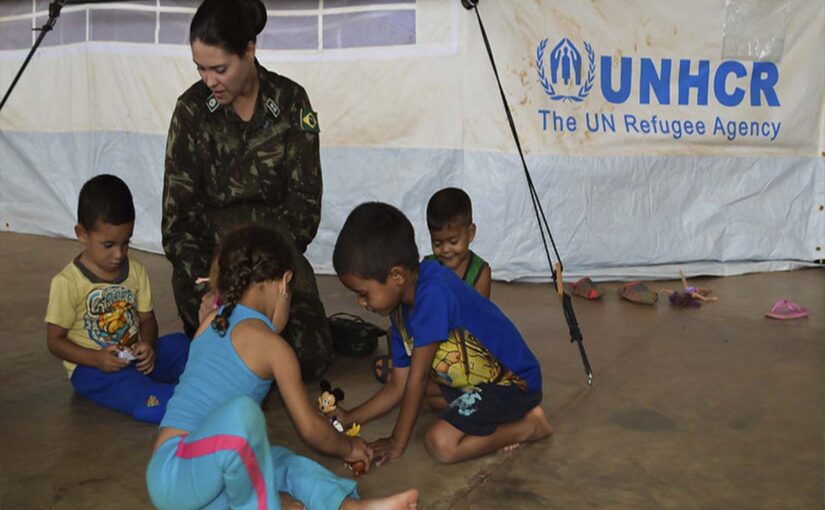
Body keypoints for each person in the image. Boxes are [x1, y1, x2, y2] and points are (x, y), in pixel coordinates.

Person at [146, 225, 418, 510]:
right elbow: (311, 428)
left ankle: (351, 508)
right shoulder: (273, 348)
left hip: (204, 480)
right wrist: (348, 447)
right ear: (285, 283)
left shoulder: (213, 320)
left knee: (284, 462)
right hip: (176, 475)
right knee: (244, 415)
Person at [161, 0, 333, 379]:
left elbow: (305, 208)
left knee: (310, 354)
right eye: (201, 69)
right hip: (212, 269)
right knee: (234, 337)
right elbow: (178, 224)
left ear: (249, 50)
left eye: (219, 68)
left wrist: (265, 275)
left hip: (276, 263)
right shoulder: (191, 112)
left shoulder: (290, 102)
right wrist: (217, 284)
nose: (209, 80)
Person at [330, 203, 553, 465]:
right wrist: (349, 418)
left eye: (363, 293)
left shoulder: (433, 294)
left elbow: (418, 375)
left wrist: (396, 442)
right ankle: (494, 415)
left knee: (440, 444)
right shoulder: (400, 305)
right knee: (420, 396)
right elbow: (399, 385)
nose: (361, 304)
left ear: (397, 275)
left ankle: (530, 425)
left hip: (514, 385)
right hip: (476, 384)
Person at [45, 175, 190, 424]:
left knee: (183, 345)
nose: (119, 254)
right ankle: (184, 406)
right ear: (82, 234)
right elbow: (55, 342)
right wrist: (96, 359)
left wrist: (148, 344)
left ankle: (215, 383)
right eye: (109, 244)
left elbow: (148, 320)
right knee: (136, 389)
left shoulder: (136, 270)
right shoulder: (67, 283)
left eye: (126, 242)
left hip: (137, 358)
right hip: (92, 370)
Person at [425, 188, 491, 298]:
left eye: (453, 242)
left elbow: (480, 312)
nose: (445, 249)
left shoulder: (480, 273)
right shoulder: (428, 266)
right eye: (437, 243)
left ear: (470, 233)